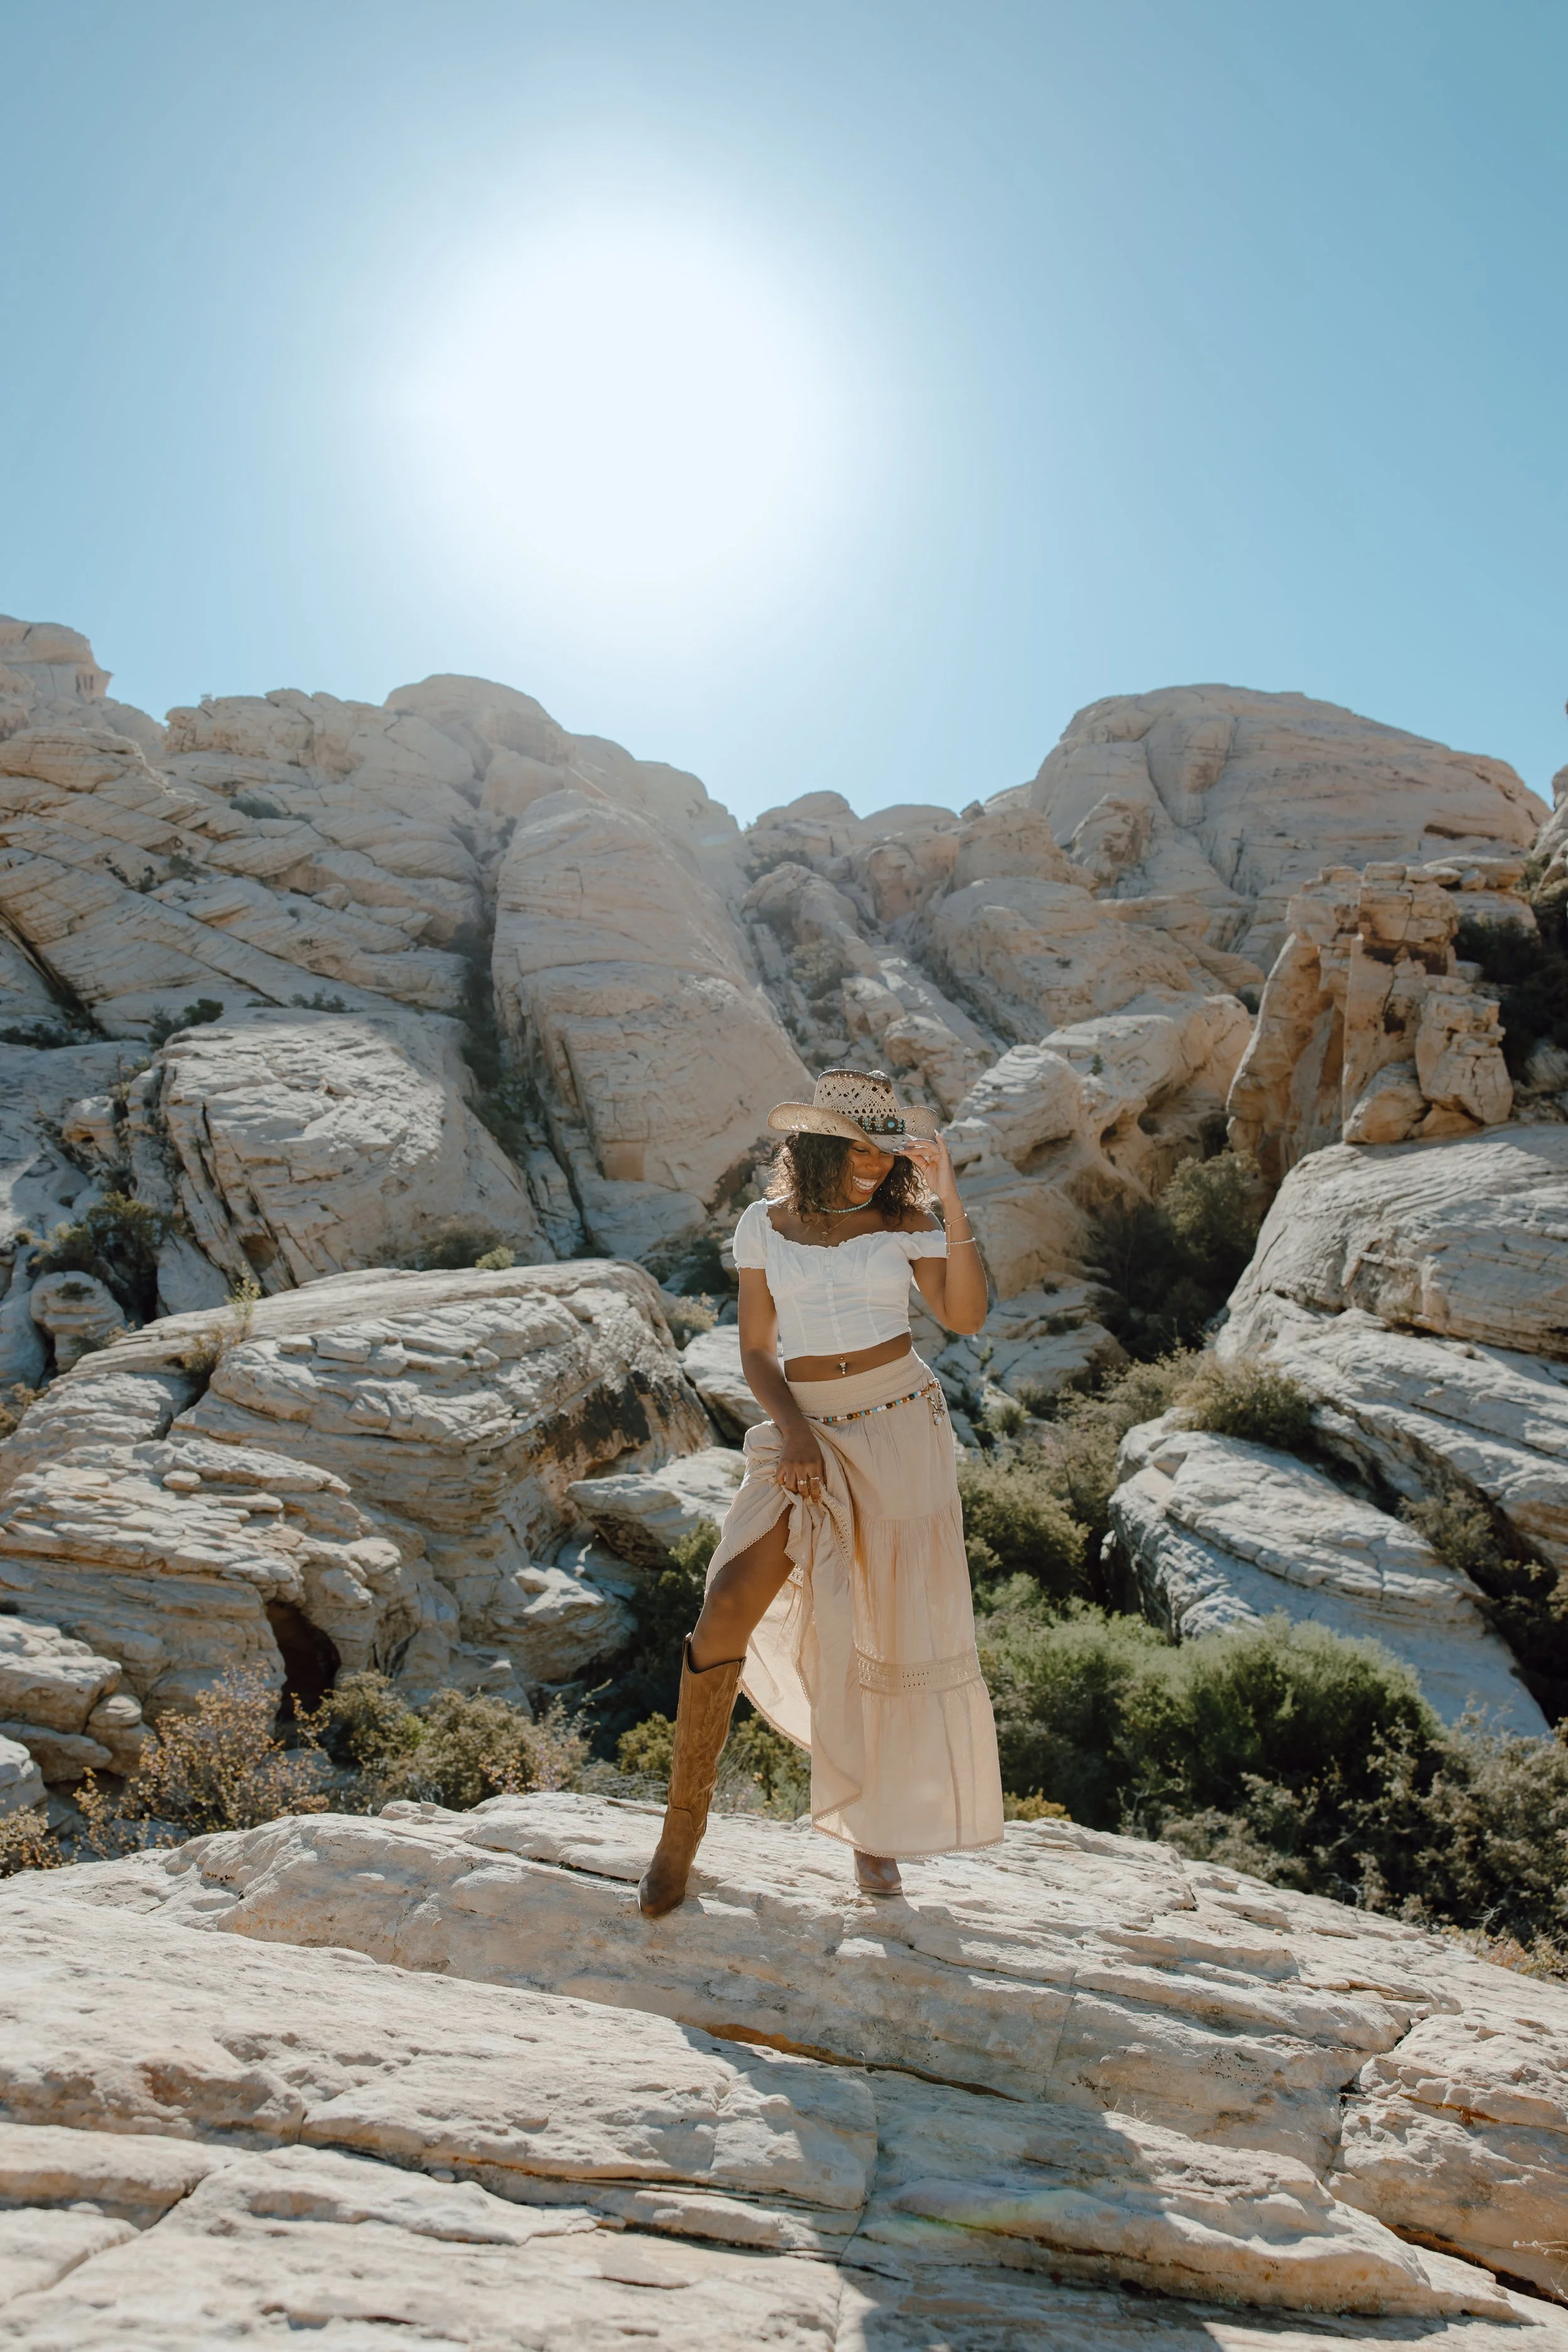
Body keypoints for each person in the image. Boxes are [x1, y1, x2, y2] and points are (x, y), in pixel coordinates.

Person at [638, 1067, 1004, 1917]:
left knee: (882, 1628)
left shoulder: (904, 1220)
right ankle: (678, 1835)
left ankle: (875, 1837)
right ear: (817, 1145)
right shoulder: (763, 1226)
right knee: (726, 1601)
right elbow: (759, 1351)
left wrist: (950, 1200)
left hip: (899, 1432)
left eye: (887, 1151)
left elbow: (966, 1316)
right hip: (800, 1435)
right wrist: (796, 1432)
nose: (876, 1165)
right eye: (860, 1150)